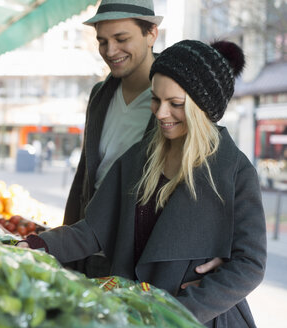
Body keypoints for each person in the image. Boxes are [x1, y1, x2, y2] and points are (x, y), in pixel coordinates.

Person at [19, 39, 267, 327]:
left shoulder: (234, 172)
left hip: (197, 318)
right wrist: (37, 245)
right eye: (155, 99)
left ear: (203, 108)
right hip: (133, 312)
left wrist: (178, 314)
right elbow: (93, 230)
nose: (160, 113)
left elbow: (250, 262)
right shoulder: (140, 157)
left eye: (175, 104)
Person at [63, 0, 221, 278]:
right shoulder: (99, 95)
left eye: (121, 39)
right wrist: (63, 248)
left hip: (143, 259)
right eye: (102, 41)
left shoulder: (182, 94)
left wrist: (221, 242)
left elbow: (211, 166)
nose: (110, 51)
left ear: (151, 34)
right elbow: (85, 174)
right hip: (90, 247)